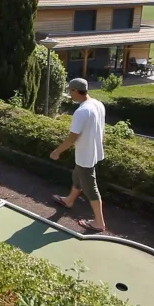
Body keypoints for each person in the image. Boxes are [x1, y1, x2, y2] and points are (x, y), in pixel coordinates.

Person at [50, 78, 106, 232]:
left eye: (70, 91)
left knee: (90, 188)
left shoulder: (81, 111)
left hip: (86, 156)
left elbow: (72, 138)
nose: (70, 94)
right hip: (93, 152)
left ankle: (99, 223)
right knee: (77, 175)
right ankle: (69, 200)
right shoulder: (98, 104)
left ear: (75, 90)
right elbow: (101, 130)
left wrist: (57, 151)